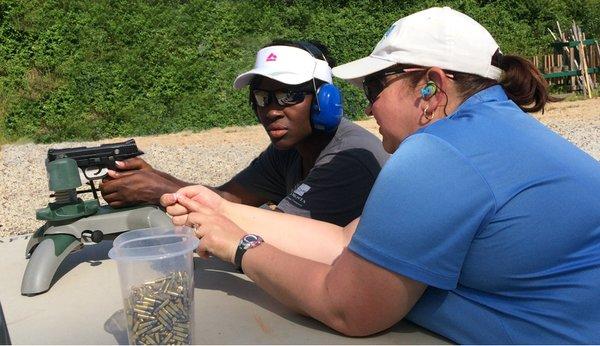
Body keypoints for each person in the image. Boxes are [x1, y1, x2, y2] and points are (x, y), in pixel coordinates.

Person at [160, 7, 600, 344]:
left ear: (430, 86)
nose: (368, 107)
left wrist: (239, 246)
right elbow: (348, 243)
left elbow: (350, 308)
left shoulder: (439, 152)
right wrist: (218, 210)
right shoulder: (491, 130)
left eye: (374, 88)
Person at [100, 39, 389, 226]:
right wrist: (155, 178)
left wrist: (160, 191)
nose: (272, 111)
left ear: (325, 100)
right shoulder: (287, 151)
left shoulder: (348, 157)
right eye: (263, 98)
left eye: (289, 96)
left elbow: (274, 231)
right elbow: (229, 199)